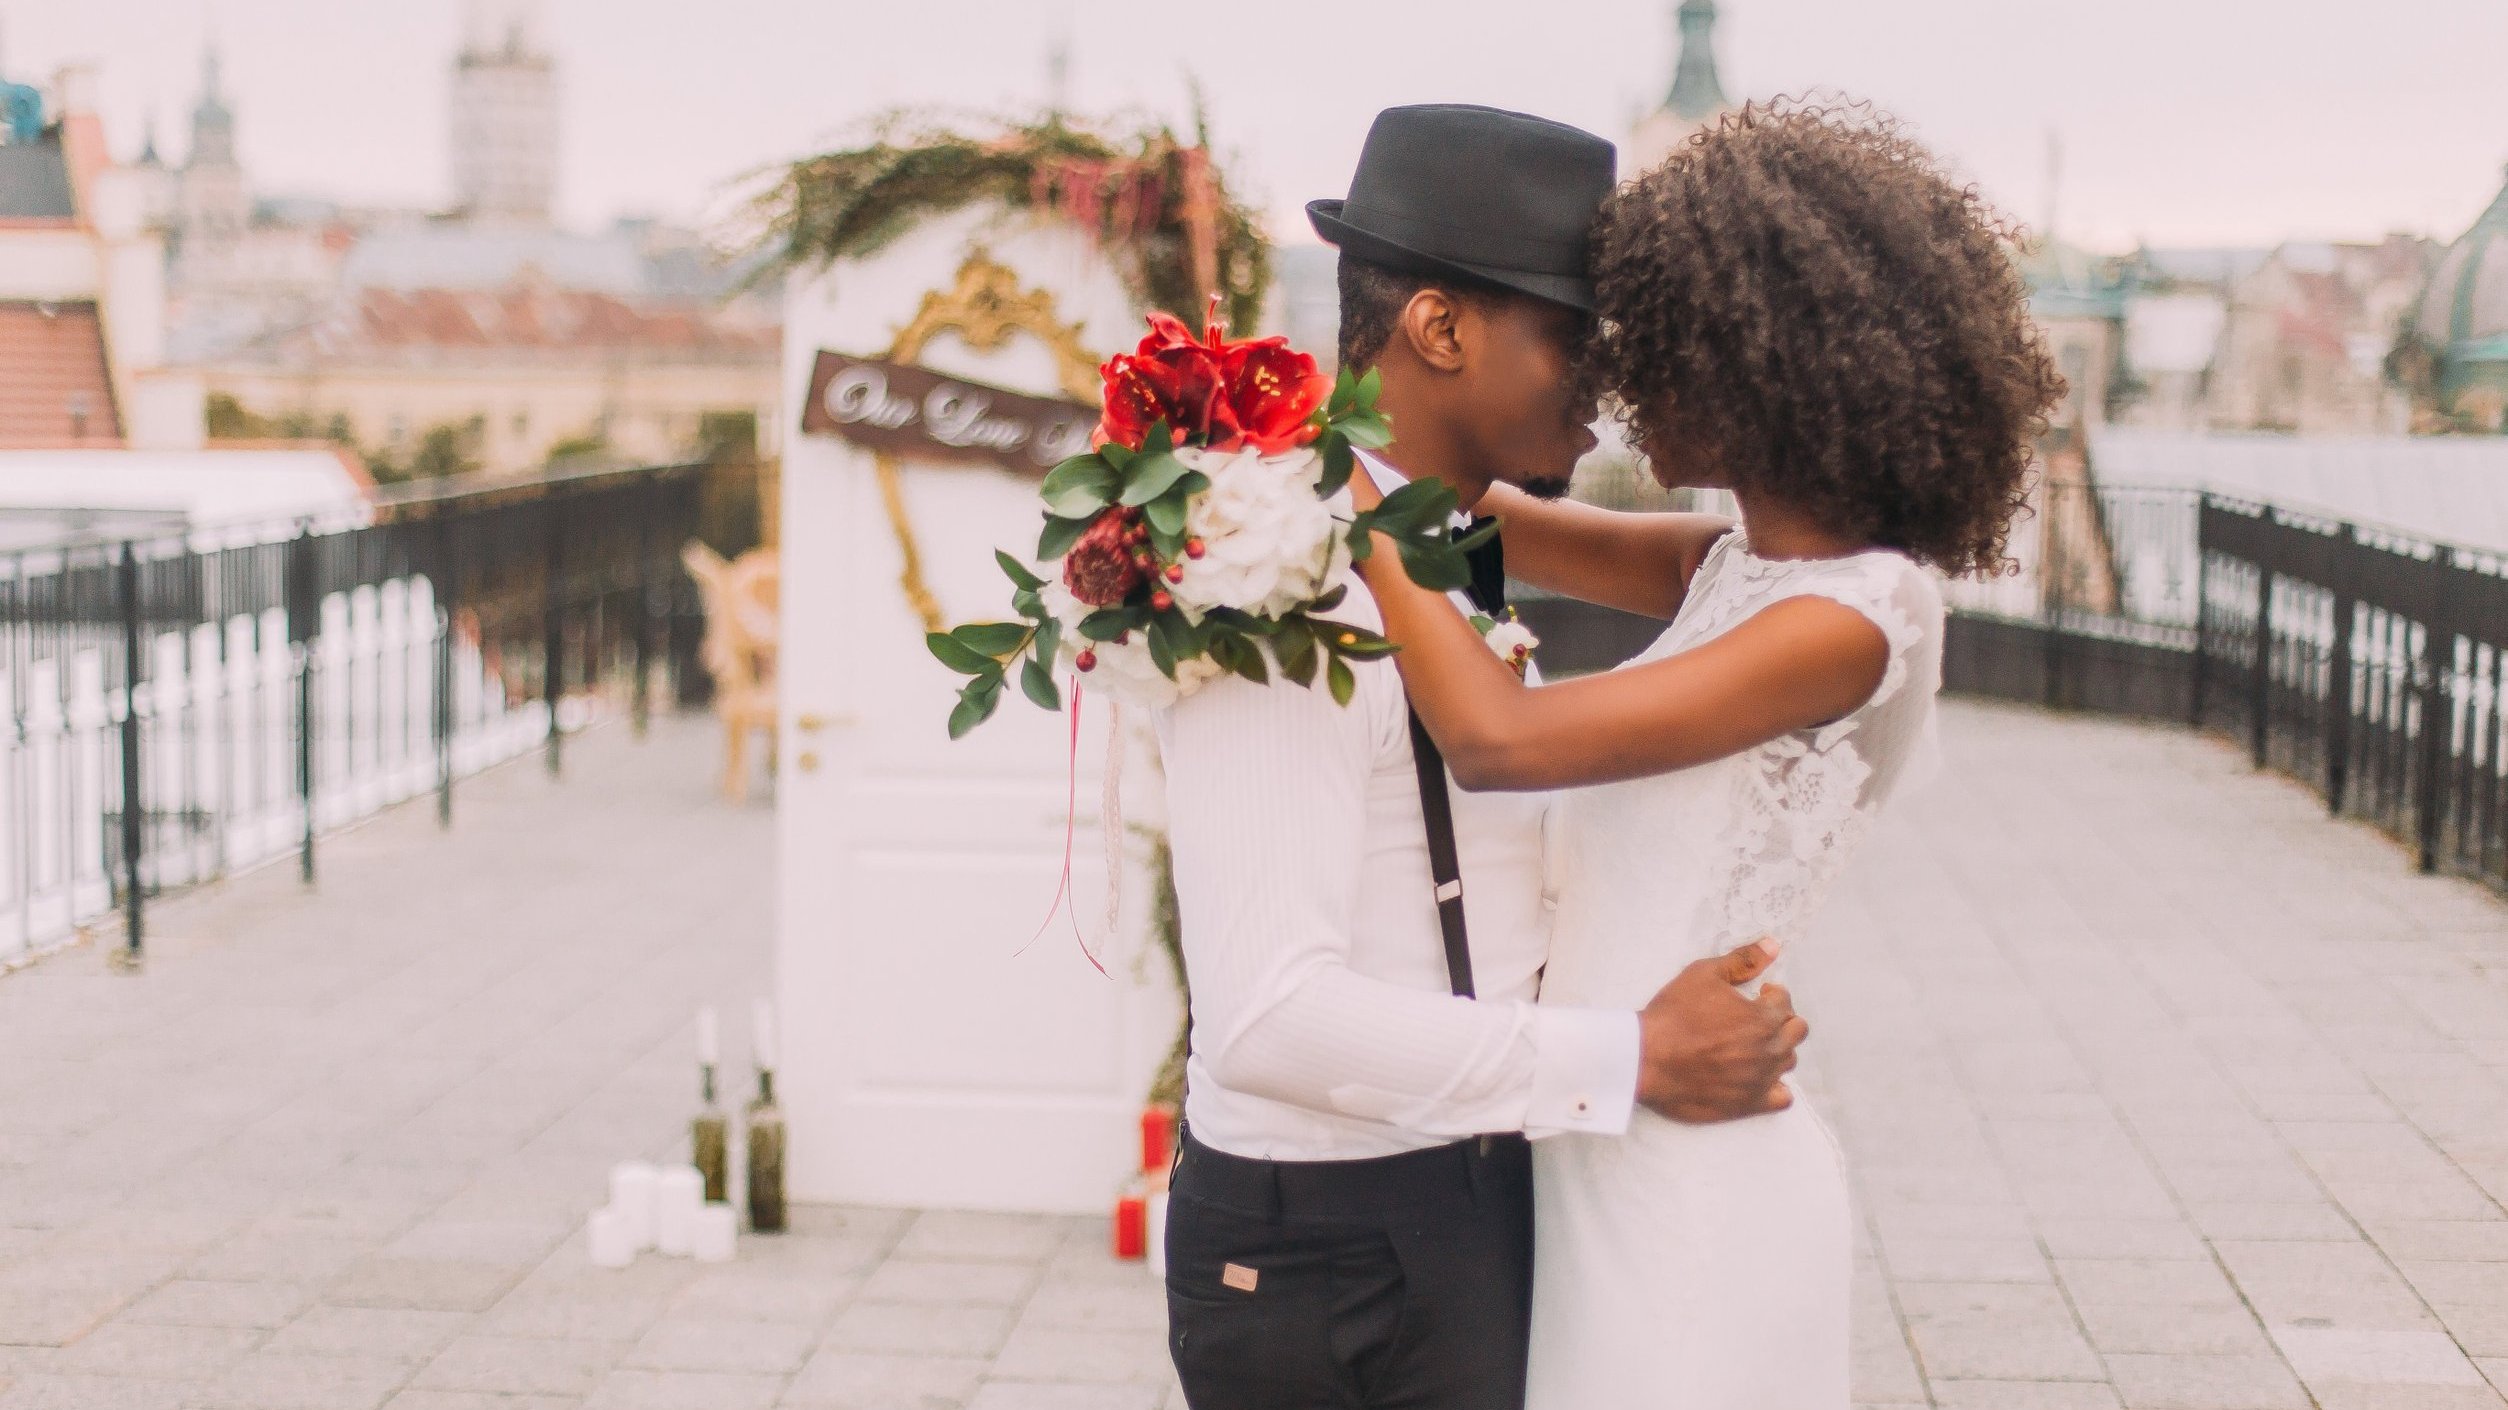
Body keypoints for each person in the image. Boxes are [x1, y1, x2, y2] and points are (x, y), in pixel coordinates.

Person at [1343, 100, 2066, 1408]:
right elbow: (1474, 522)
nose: (1611, 391)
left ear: (1762, 362)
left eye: (1655, 348)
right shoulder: (1729, 564)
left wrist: (1337, 498)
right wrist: (1298, 435)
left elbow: (1499, 739)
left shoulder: (1856, 617)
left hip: (1692, 1196)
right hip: (1601, 1144)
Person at [1156, 103, 1810, 1410]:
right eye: (1577, 340)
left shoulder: (1440, 525)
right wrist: (1628, 1054)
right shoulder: (1277, 579)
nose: (1608, 391)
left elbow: (1729, 568)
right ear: (1442, 330)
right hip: (1334, 1253)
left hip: (1458, 1194)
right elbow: (1267, 1016)